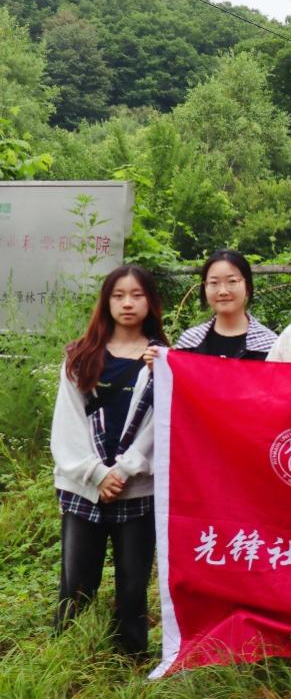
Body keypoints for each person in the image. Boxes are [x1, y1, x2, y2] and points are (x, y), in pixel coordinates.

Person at [51, 265, 168, 655]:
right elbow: (67, 424)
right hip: (83, 487)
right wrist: (96, 474)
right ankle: (68, 653)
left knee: (134, 581)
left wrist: (125, 470)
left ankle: (131, 655)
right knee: (77, 579)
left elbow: (161, 427)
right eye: (118, 295)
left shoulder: (162, 361)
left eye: (137, 295)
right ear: (106, 302)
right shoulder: (81, 356)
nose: (127, 303)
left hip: (137, 489)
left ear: (150, 302)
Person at [176, 249, 276, 359]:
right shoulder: (189, 343)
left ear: (247, 286)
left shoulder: (270, 346)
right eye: (214, 282)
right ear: (205, 287)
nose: (222, 291)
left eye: (232, 281)